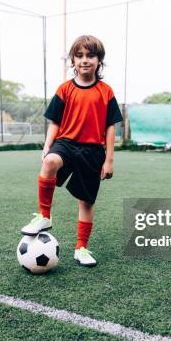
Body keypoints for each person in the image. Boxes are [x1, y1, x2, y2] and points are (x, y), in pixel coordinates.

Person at [21, 35, 123, 267]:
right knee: (49, 163)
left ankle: (81, 248)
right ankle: (44, 217)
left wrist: (108, 160)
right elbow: (55, 122)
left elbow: (110, 127)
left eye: (90, 55)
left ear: (99, 61)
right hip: (66, 143)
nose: (85, 60)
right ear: (72, 60)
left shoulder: (106, 92)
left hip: (92, 151)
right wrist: (48, 146)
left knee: (85, 202)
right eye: (79, 56)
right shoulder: (65, 89)